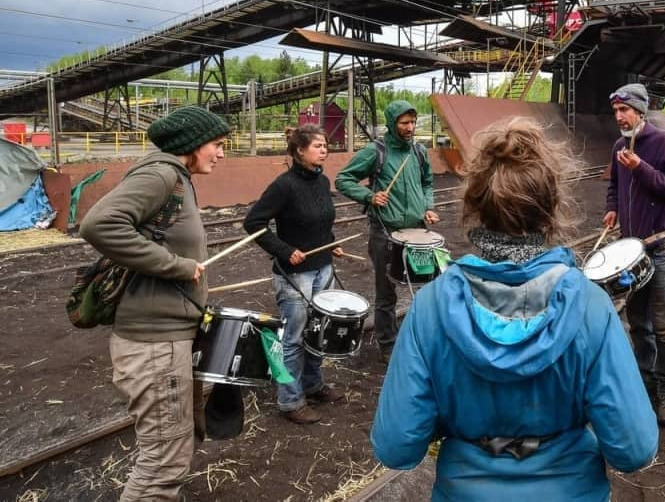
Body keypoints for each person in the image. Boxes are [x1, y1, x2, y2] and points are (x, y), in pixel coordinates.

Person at [371, 117, 658, 500]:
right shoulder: (592, 308)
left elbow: (396, 447)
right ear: (552, 207)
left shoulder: (429, 309)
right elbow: (634, 450)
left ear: (475, 206)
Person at [80, 105, 229, 501]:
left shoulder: (176, 177)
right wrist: (175, 266)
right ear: (193, 145)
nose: (221, 153)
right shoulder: (161, 174)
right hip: (154, 347)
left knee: (170, 455)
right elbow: (98, 224)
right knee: (163, 465)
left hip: (164, 341)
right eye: (217, 144)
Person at [243, 124, 344, 424]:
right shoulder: (283, 185)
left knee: (317, 332)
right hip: (294, 274)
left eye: (325, 145)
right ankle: (290, 400)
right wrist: (284, 250)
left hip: (322, 267)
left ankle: (313, 384)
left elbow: (322, 221)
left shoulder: (323, 181)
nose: (324, 149)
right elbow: (253, 223)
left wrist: (331, 242)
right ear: (300, 151)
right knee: (293, 338)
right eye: (317, 145)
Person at [602, 82, 665, 425]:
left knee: (664, 324)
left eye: (625, 110)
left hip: (662, 244)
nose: (620, 117)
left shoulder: (663, 141)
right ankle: (645, 380)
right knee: (638, 320)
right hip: (630, 249)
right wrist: (612, 208)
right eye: (616, 112)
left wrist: (641, 167)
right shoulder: (618, 146)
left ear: (640, 110)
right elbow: (614, 186)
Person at [335, 100, 437, 358]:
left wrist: (428, 205)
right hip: (385, 233)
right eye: (404, 123)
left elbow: (427, 182)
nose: (410, 127)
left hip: (416, 232)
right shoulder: (376, 151)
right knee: (386, 292)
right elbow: (343, 179)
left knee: (424, 286)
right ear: (393, 124)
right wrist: (369, 196)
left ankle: (422, 337)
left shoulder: (419, 152)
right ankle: (388, 344)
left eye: (412, 122)